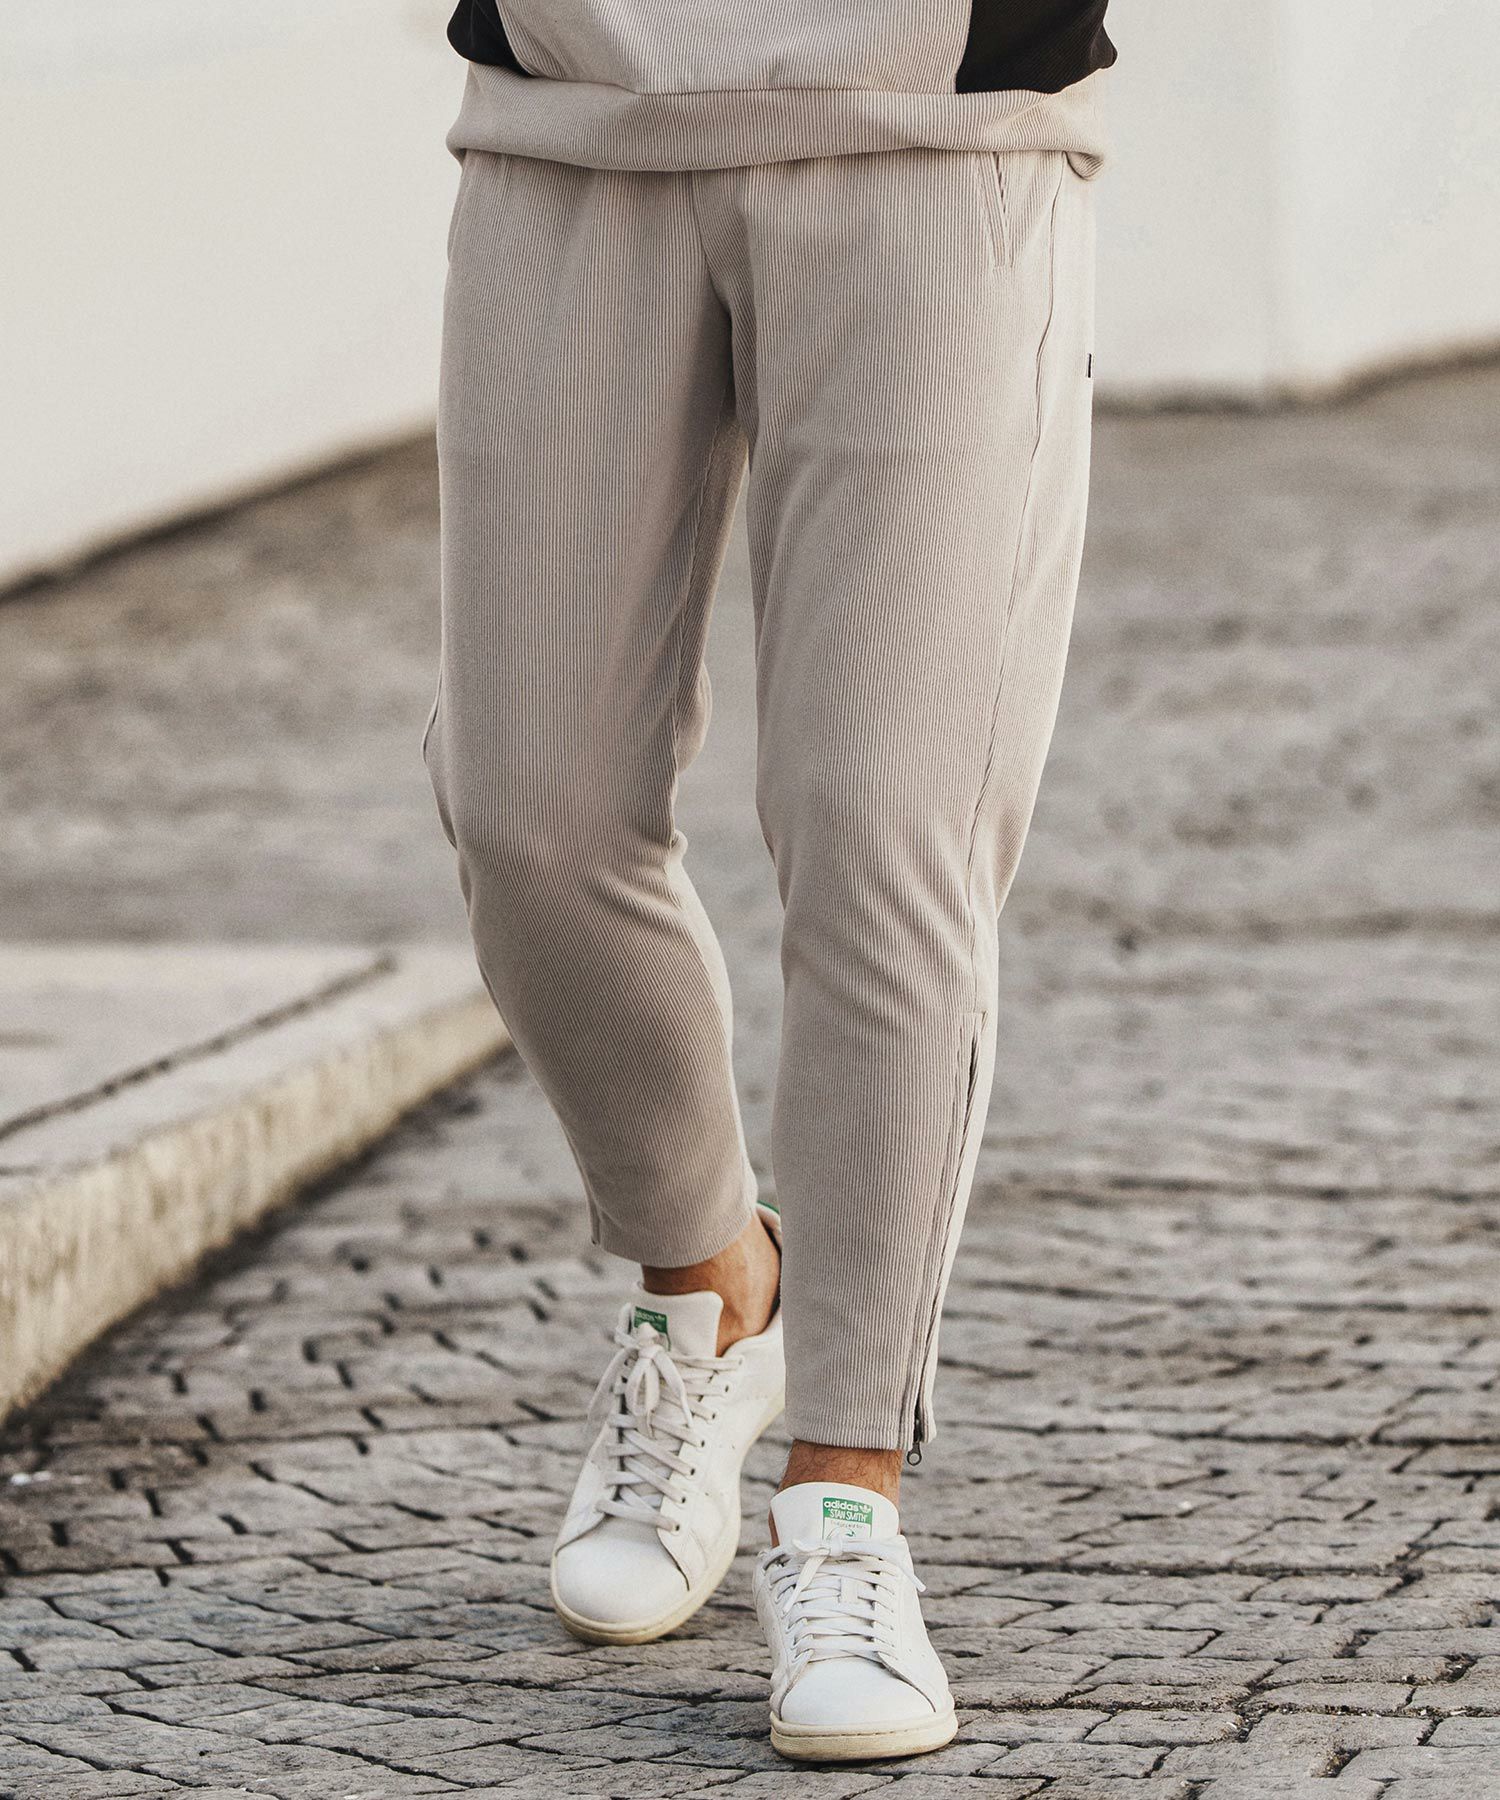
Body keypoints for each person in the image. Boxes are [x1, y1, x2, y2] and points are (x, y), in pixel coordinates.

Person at [426, 0, 1113, 1763]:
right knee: (529, 809)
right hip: (574, 113)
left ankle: (843, 1503)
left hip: (935, 131)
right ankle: (716, 1282)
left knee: (886, 823)